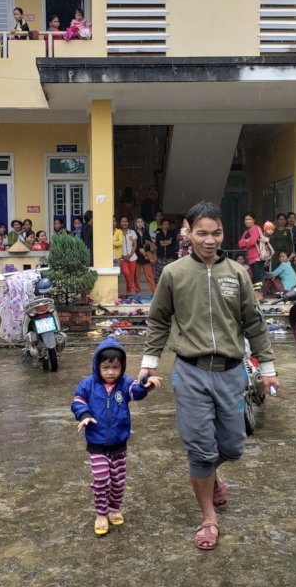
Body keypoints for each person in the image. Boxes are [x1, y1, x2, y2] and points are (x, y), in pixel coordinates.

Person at [139, 201, 278, 552]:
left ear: (223, 233)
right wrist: (149, 362)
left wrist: (269, 370)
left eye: (215, 232)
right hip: (191, 373)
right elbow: (158, 319)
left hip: (231, 373)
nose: (209, 239)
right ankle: (208, 518)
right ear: (189, 231)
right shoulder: (174, 273)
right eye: (202, 232)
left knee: (232, 447)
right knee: (201, 451)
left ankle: (212, 474)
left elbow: (254, 323)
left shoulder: (237, 273)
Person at [71, 338, 160, 536]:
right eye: (106, 367)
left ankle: (114, 508)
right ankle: (101, 513)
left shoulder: (124, 384)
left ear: (122, 367)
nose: (111, 372)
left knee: (118, 481)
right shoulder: (88, 385)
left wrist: (146, 385)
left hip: (119, 442)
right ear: (97, 366)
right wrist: (85, 415)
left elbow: (135, 391)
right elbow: (78, 401)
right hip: (97, 442)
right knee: (102, 478)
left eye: (115, 367)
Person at [237, 212, 265, 284]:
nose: (247, 221)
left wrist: (245, 241)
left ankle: (260, 294)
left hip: (258, 258)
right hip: (251, 259)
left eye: (249, 219)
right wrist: (247, 241)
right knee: (255, 278)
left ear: (254, 220)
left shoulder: (255, 228)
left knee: (259, 278)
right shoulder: (246, 232)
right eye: (246, 219)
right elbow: (240, 244)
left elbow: (252, 242)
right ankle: (257, 294)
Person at [134, 216, 156, 294]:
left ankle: (155, 292)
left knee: (149, 276)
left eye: (141, 222)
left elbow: (149, 243)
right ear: (135, 223)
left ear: (143, 223)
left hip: (145, 256)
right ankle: (138, 292)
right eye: (138, 222)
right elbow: (132, 245)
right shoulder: (133, 232)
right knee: (136, 276)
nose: (139, 223)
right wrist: (139, 249)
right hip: (136, 257)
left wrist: (145, 248)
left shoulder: (146, 232)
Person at [119, 215, 139, 294]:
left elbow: (135, 245)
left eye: (126, 221)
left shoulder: (132, 232)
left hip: (132, 257)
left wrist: (130, 255)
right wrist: (124, 256)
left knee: (131, 275)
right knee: (127, 273)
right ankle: (132, 287)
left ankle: (128, 292)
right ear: (120, 223)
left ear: (128, 223)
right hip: (122, 258)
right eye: (122, 221)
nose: (124, 223)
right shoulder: (118, 232)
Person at [153, 217, 177, 282]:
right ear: (161, 225)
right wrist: (167, 242)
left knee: (170, 274)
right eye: (164, 224)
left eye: (167, 224)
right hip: (160, 257)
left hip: (170, 257)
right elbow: (160, 244)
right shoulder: (158, 234)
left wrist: (164, 242)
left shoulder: (172, 233)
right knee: (159, 275)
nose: (166, 226)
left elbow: (171, 242)